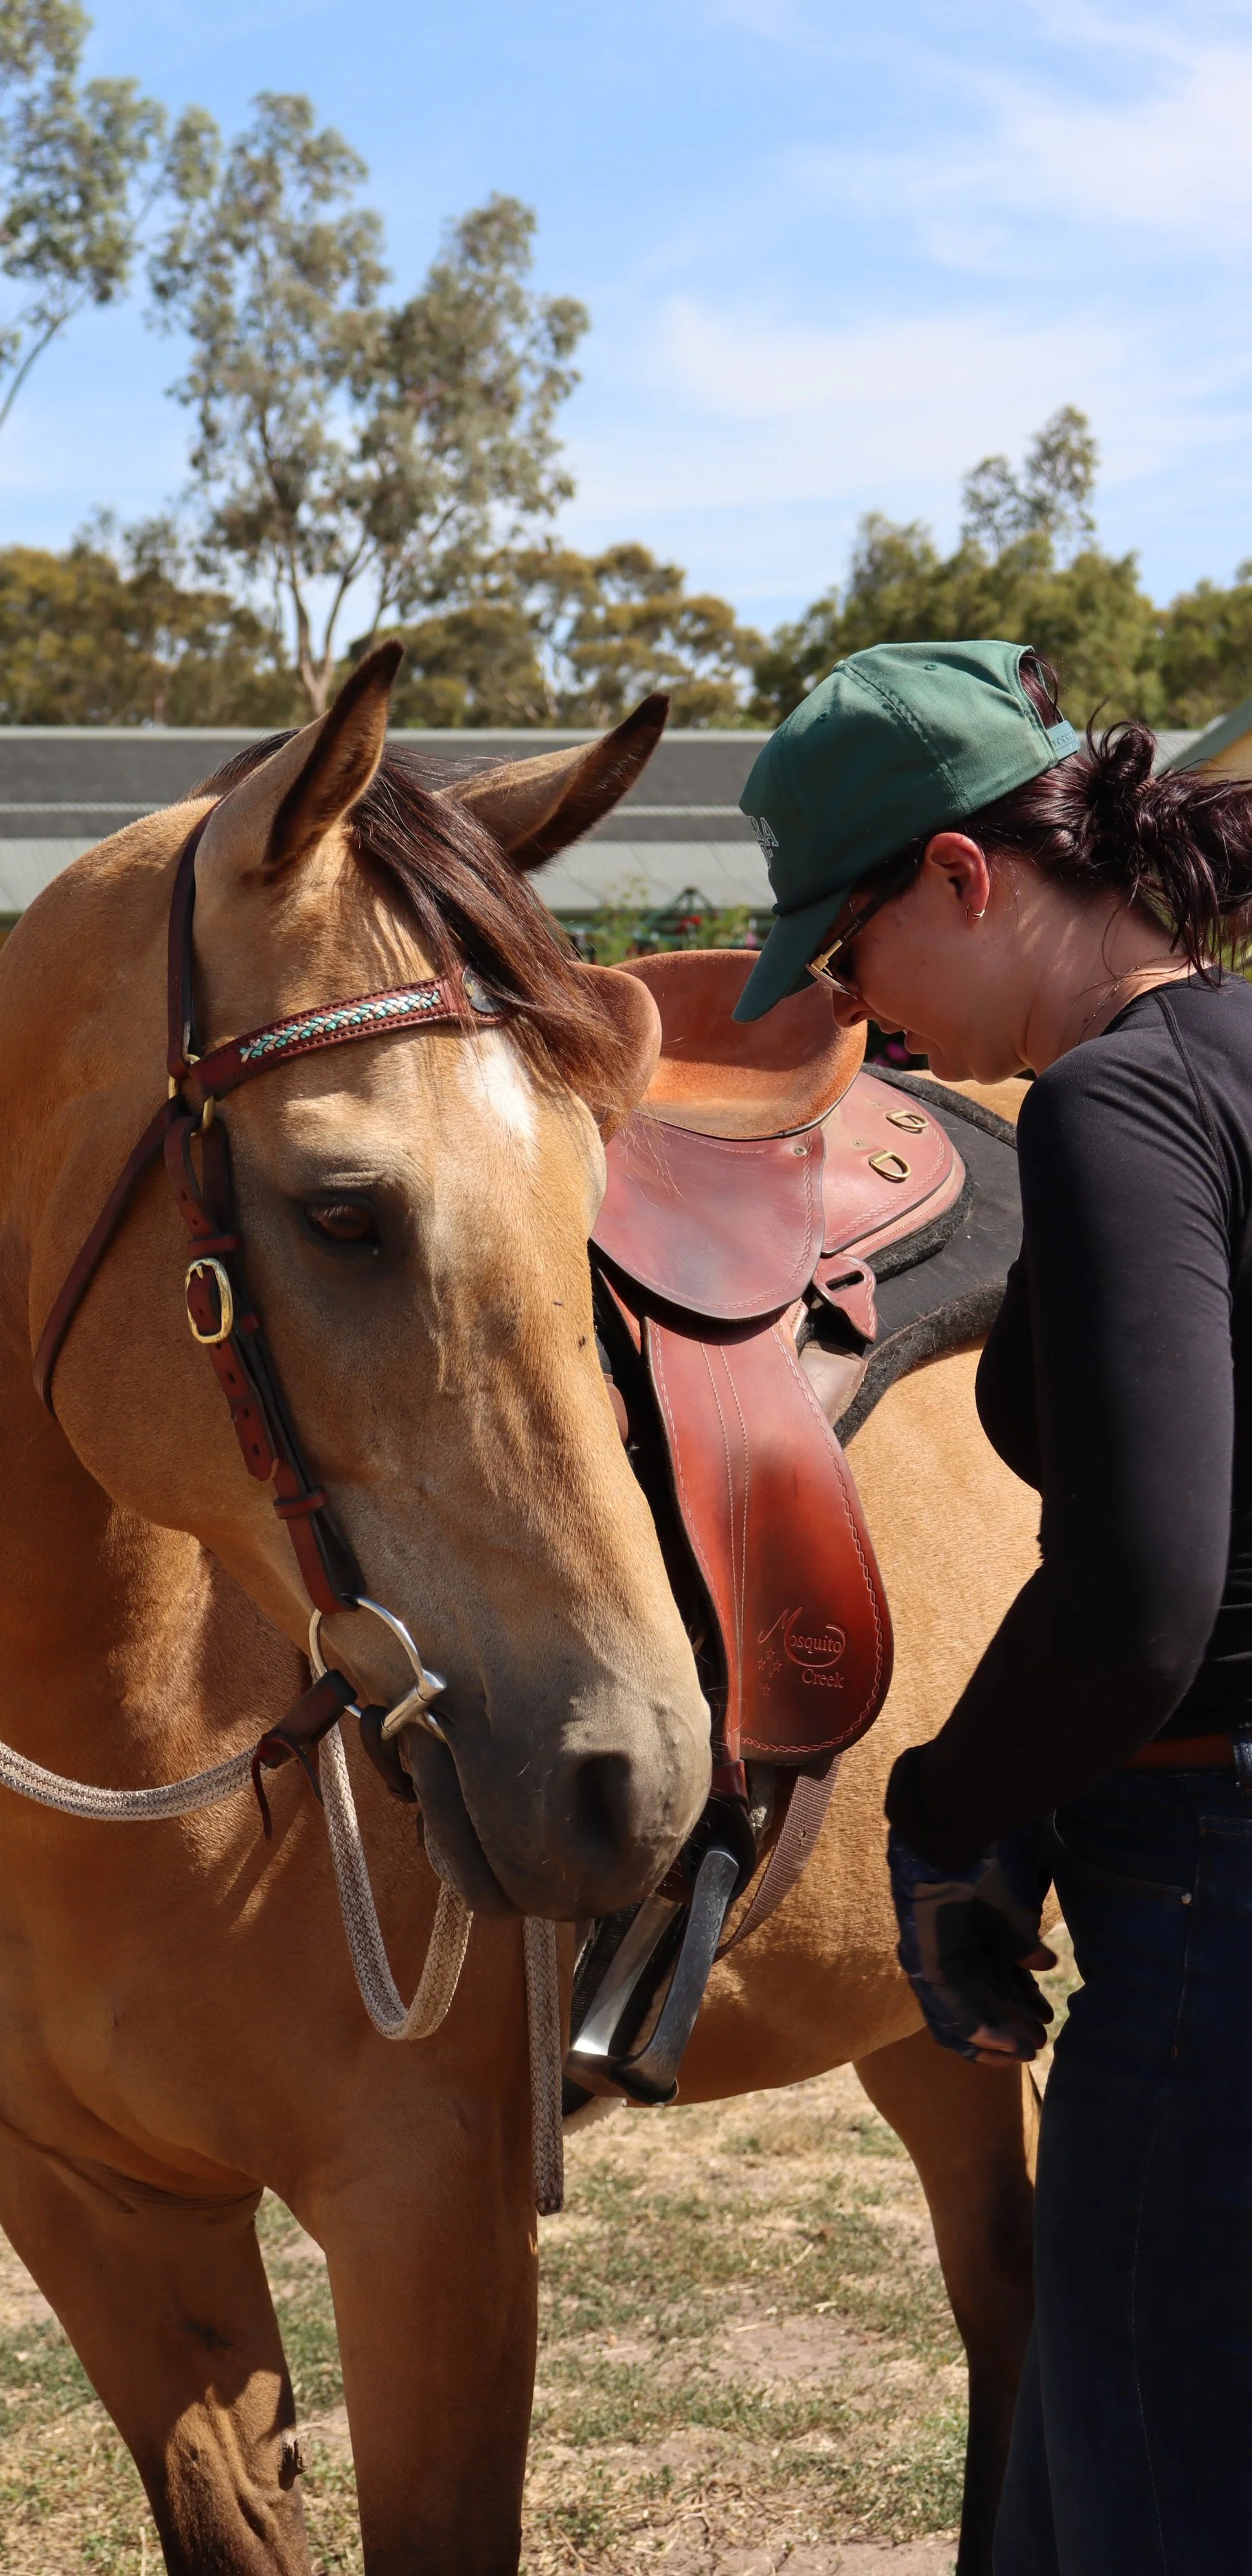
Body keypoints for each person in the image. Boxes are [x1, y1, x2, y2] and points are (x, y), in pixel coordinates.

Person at [733, 640, 1252, 2576]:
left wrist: (943, 1817)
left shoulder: (1113, 1115)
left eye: (848, 952)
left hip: (1208, 1909)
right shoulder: (1232, 1066)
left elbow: (1134, 1596)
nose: (849, 1009)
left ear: (961, 877)